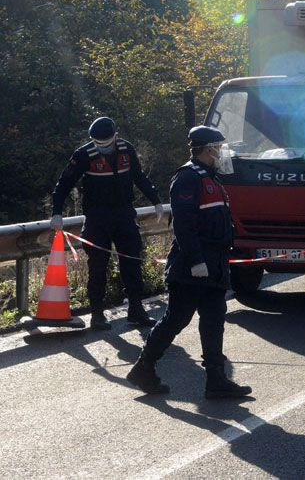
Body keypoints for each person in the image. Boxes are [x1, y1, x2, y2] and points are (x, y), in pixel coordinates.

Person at [126, 126, 251, 398]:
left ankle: (216, 380)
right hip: (192, 264)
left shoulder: (212, 177)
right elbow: (184, 225)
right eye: (219, 148)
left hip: (215, 262)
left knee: (214, 319)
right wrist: (196, 261)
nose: (222, 153)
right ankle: (144, 368)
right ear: (208, 150)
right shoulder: (187, 178)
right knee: (177, 319)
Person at [51, 117, 163, 330]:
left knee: (132, 262)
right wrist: (57, 212)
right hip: (97, 217)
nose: (102, 148)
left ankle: (136, 310)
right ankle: (97, 313)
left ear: (116, 135)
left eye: (106, 143)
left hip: (124, 214)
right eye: (98, 144)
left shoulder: (126, 150)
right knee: (97, 266)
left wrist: (156, 201)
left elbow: (139, 177)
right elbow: (65, 183)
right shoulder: (83, 154)